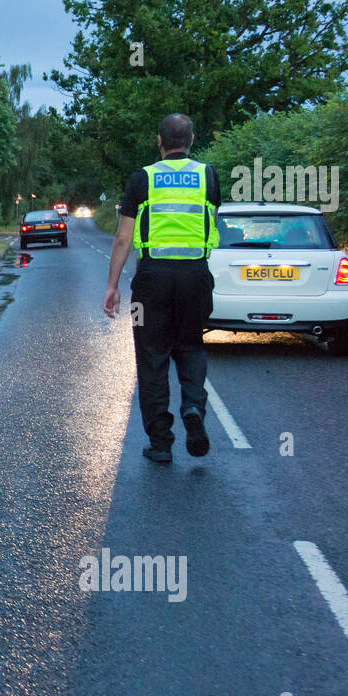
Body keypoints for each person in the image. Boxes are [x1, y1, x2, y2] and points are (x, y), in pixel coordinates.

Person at [102, 113, 221, 464]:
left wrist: (112, 286)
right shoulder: (208, 176)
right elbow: (209, 224)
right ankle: (194, 407)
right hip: (196, 276)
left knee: (152, 357)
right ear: (192, 140)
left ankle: (161, 443)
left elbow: (124, 237)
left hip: (151, 280)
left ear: (159, 141)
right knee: (192, 346)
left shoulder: (143, 178)